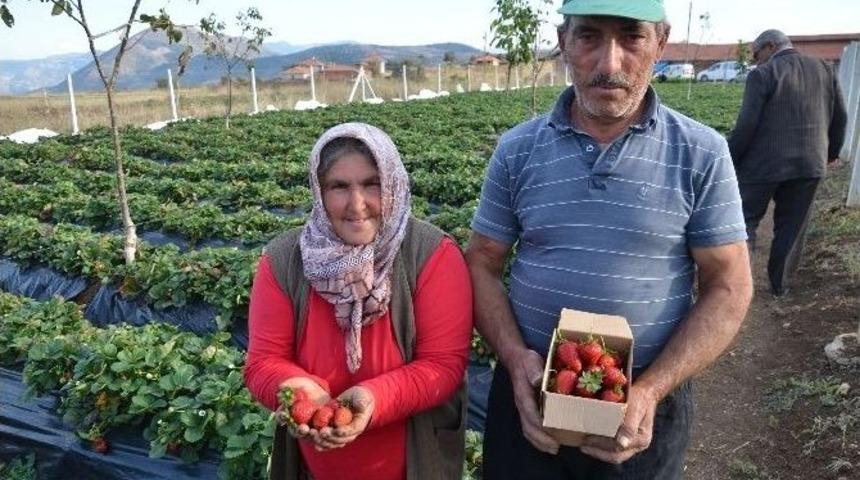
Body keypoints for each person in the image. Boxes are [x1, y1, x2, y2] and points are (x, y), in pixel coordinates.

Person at [465, 0, 754, 478]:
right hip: (530, 398)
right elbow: (481, 262)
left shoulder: (702, 153)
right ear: (563, 43)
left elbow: (729, 285)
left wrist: (650, 390)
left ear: (660, 42)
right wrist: (516, 360)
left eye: (631, 37)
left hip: (643, 408)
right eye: (589, 37)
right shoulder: (517, 150)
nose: (609, 63)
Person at [244, 122, 473, 480]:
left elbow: (443, 366)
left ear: (393, 184)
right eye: (339, 186)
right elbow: (263, 361)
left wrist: (374, 398)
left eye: (372, 183)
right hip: (315, 469)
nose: (357, 204)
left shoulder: (431, 254)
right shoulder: (284, 258)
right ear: (319, 192)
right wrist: (298, 392)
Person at [729, 29, 847, 297]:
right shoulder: (825, 70)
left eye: (757, 55)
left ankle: (737, 288)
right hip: (810, 164)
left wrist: (730, 160)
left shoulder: (763, 74)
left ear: (770, 46)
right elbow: (840, 117)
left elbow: (746, 126)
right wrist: (830, 154)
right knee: (793, 226)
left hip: (762, 165)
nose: (757, 61)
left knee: (744, 222)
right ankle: (780, 286)